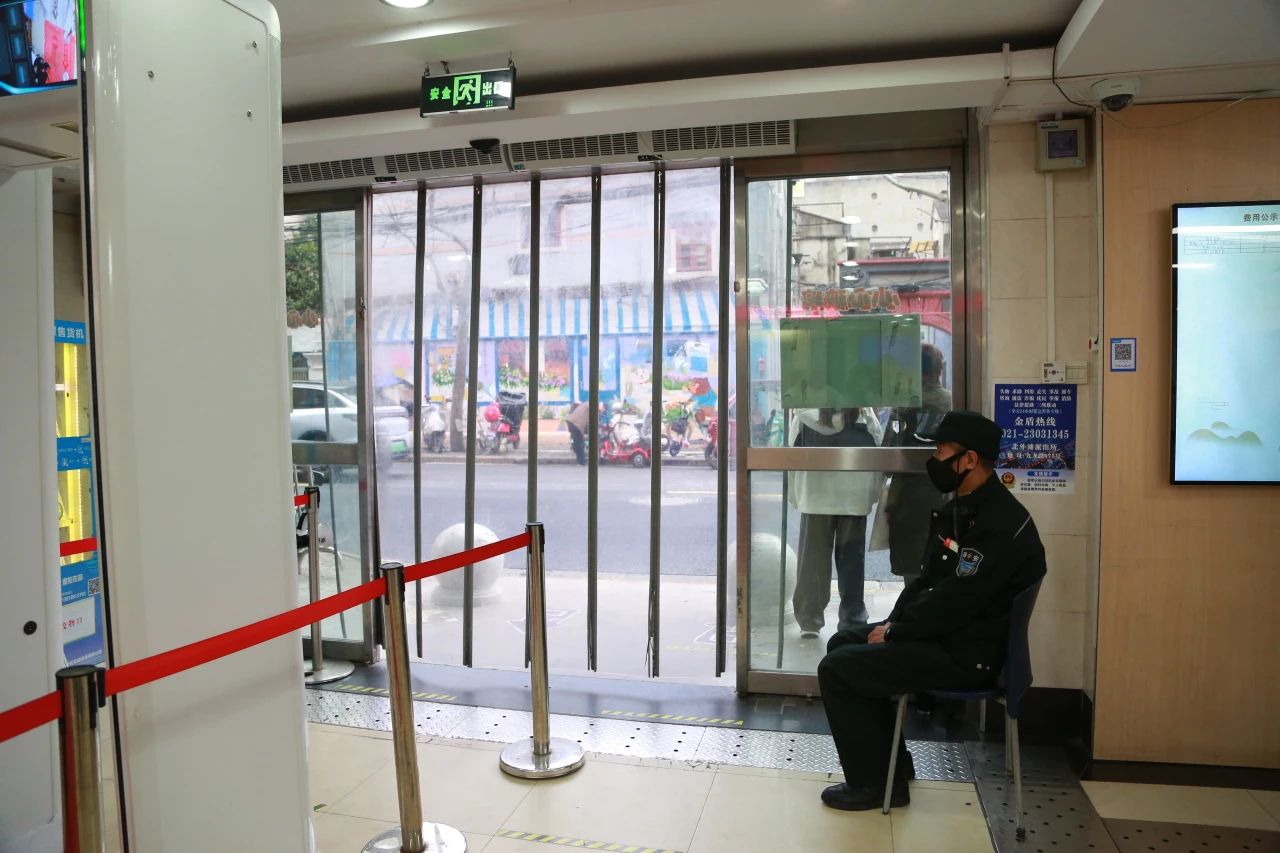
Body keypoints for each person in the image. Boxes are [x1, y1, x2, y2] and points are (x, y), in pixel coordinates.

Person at [816, 411, 1046, 811]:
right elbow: (928, 582)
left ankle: (875, 786)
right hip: (955, 635)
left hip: (970, 654)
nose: (934, 460)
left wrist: (896, 633)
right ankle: (891, 766)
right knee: (843, 643)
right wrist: (894, 623)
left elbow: (956, 601)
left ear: (969, 460)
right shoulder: (966, 509)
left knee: (838, 669)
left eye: (941, 451)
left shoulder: (997, 524)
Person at [788, 407, 884, 637]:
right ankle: (852, 620)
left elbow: (792, 458)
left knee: (812, 561)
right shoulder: (863, 415)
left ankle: (809, 620)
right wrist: (872, 496)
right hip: (854, 497)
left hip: (814, 497)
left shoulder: (804, 416)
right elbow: (878, 456)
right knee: (851, 562)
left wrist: (797, 496)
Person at [884, 343, 953, 587]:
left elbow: (888, 453)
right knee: (943, 555)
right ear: (939, 370)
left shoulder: (903, 405)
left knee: (911, 566)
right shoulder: (951, 403)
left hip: (907, 495)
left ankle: (913, 605)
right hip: (943, 494)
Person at [564, 399, 589, 465]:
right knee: (580, 443)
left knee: (577, 442)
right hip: (576, 425)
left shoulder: (581, 407)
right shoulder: (587, 407)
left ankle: (580, 460)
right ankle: (581, 461)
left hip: (571, 423)